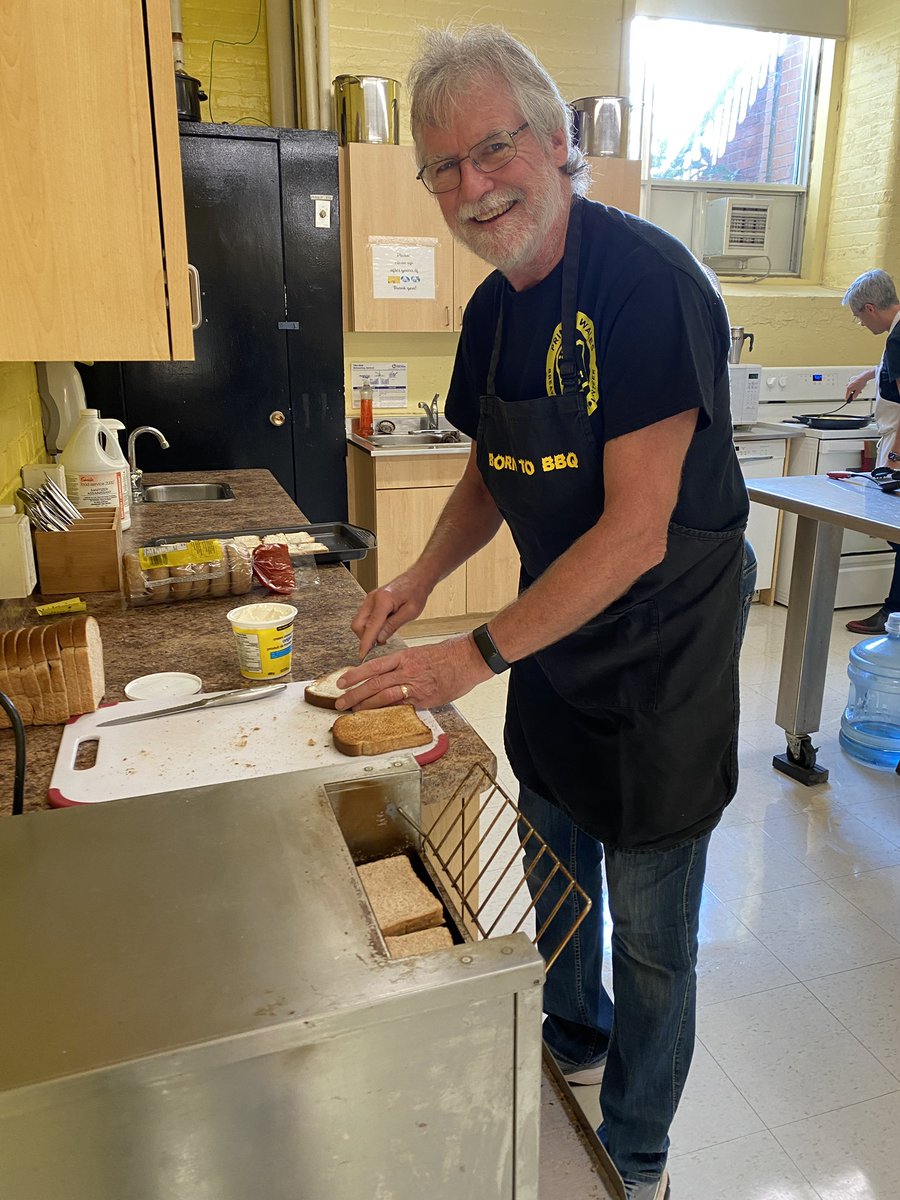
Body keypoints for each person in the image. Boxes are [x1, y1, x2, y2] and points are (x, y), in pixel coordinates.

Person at [334, 26, 750, 1200]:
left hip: (663, 654)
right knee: (555, 859)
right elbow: (491, 467)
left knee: (657, 937)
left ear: (559, 145)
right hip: (557, 637)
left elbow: (634, 531)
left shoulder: (648, 286)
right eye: (444, 169)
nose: (472, 187)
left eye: (494, 149)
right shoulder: (495, 309)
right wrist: (419, 580)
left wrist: (466, 656)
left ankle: (640, 1156)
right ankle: (572, 1028)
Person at [841, 269, 900, 635]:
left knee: (896, 533)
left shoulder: (898, 339)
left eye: (859, 317)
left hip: (898, 442)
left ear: (870, 307)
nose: (860, 323)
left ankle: (892, 614)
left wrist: (895, 460)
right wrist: (867, 376)